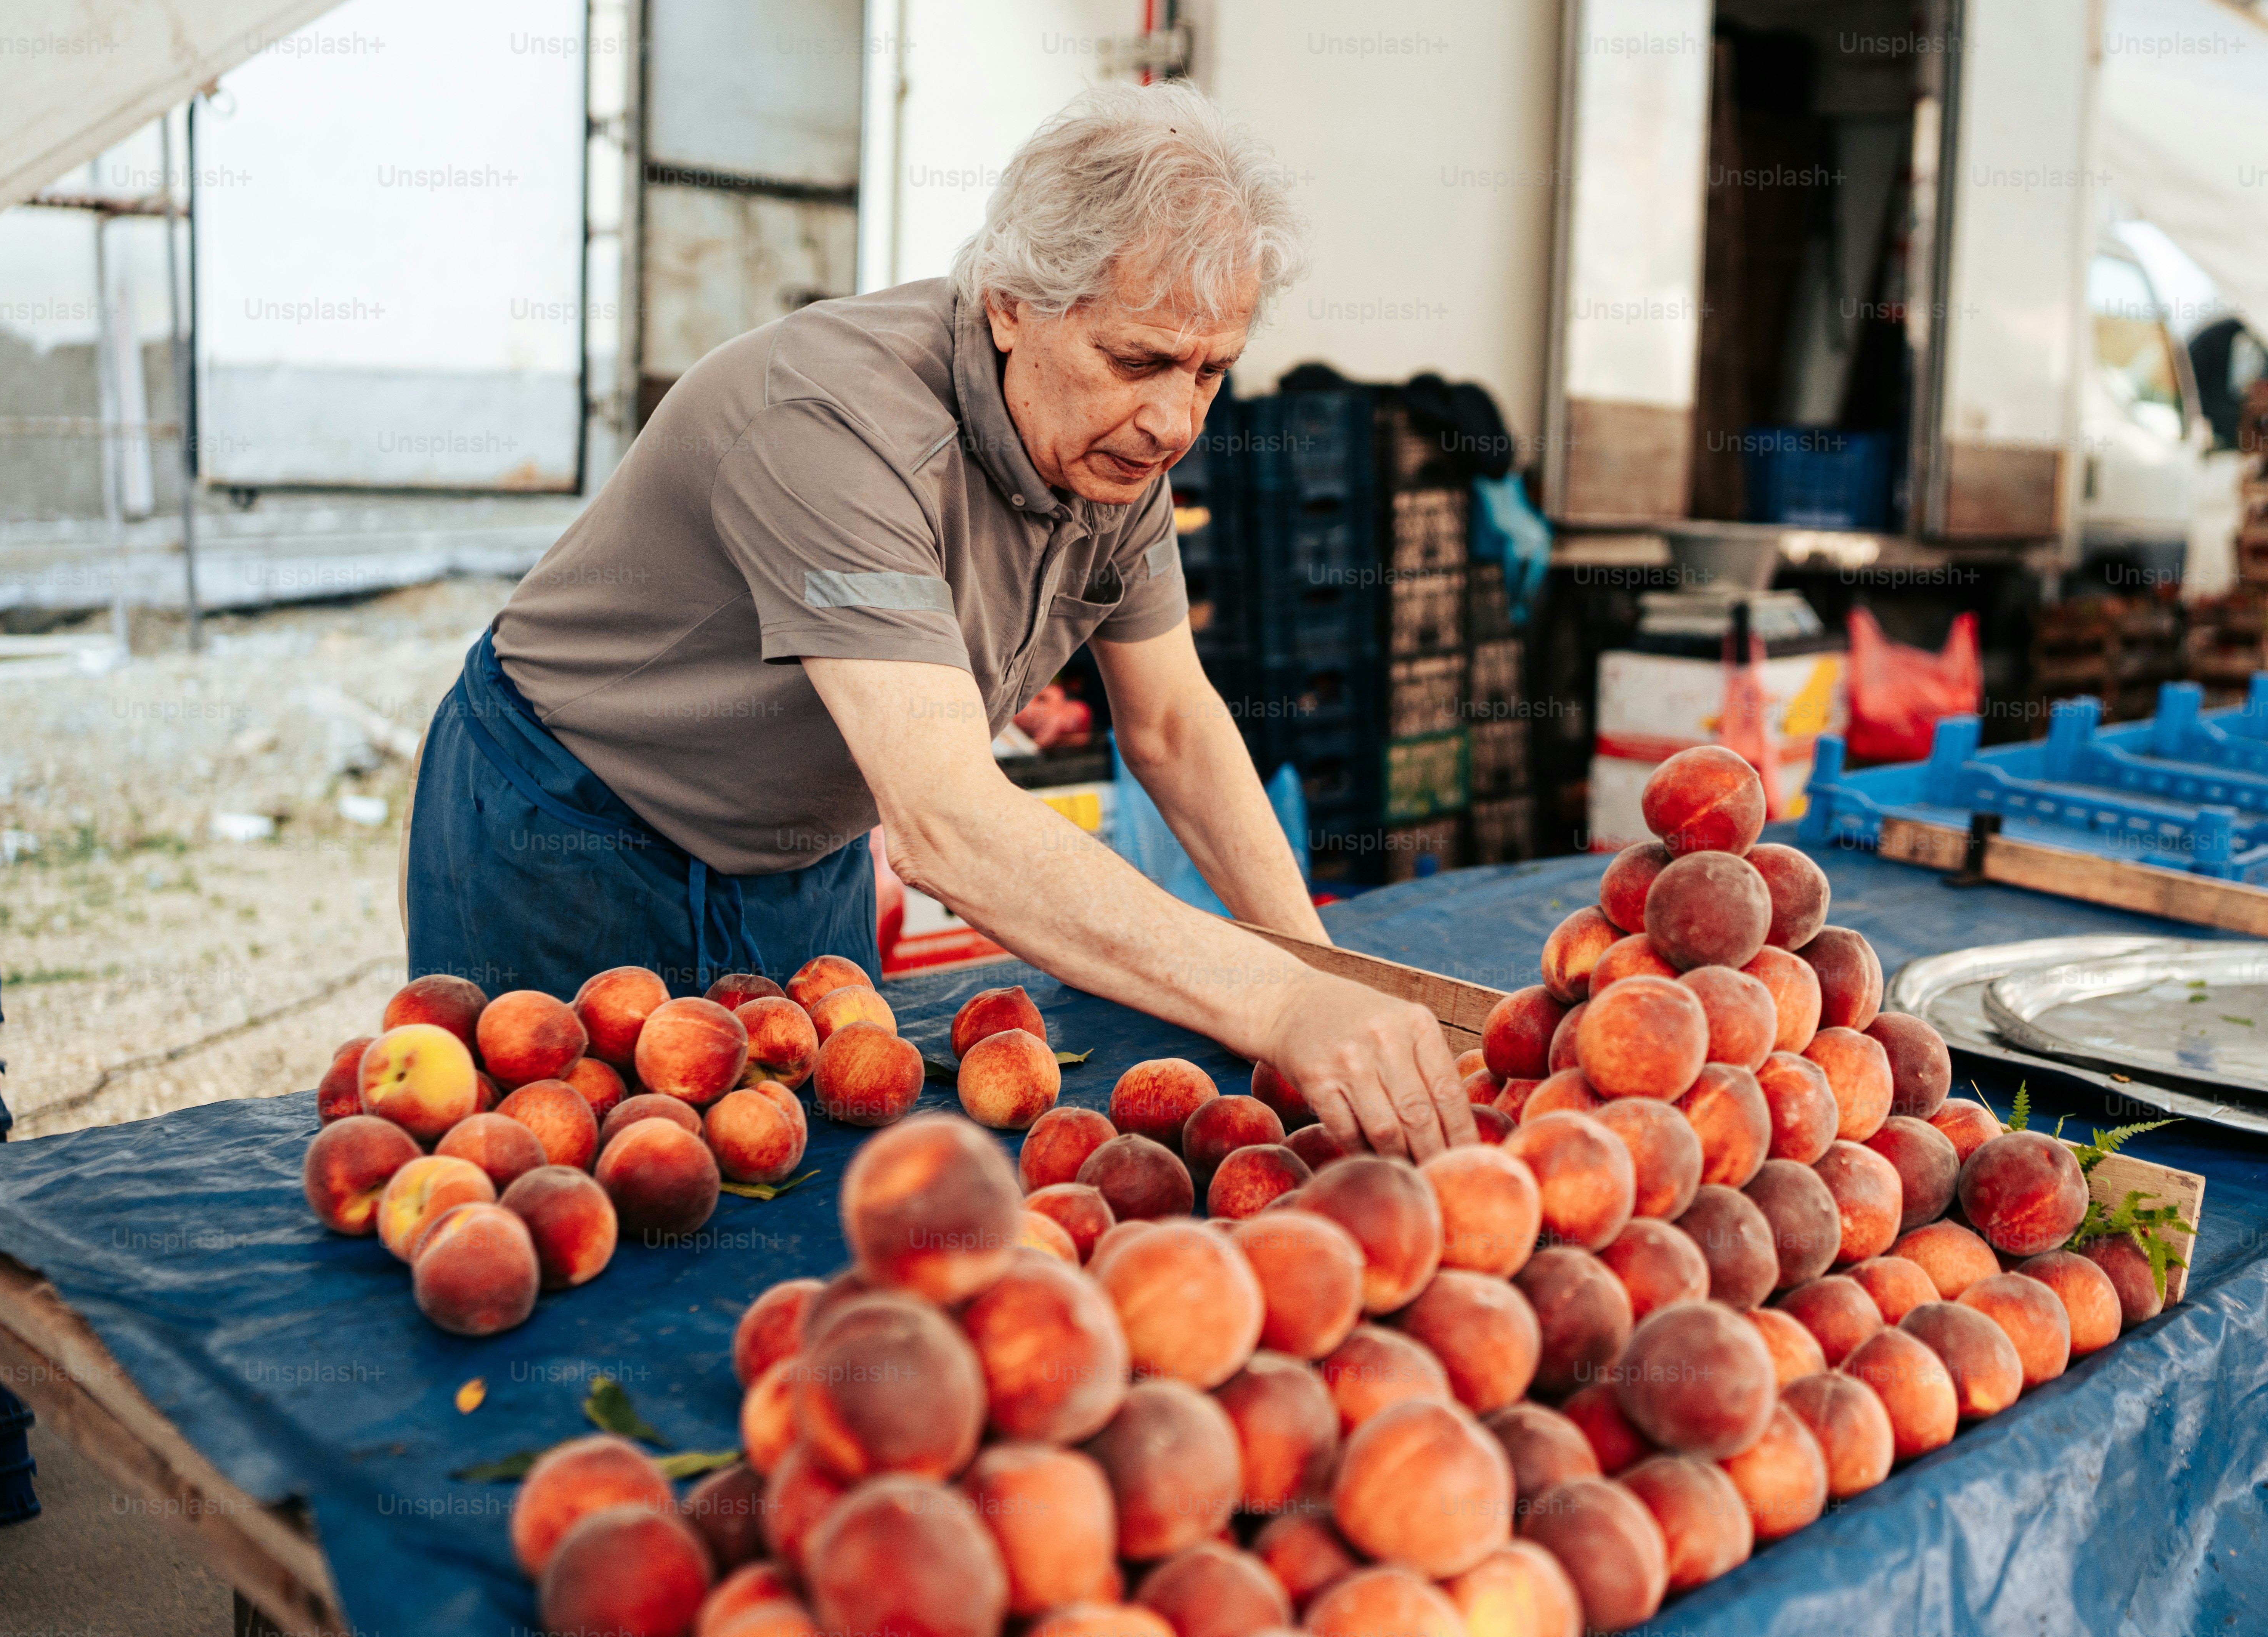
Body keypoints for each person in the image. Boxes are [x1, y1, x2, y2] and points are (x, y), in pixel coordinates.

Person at [404, 81, 1473, 1159]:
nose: (1174, 422)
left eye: (1211, 371)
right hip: (573, 817)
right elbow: (950, 822)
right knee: (563, 1182)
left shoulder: (1111, 448)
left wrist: (1318, 976)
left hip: (797, 846)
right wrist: (1275, 1005)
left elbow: (1173, 726)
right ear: (1010, 302)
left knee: (810, 1186)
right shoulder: (835, 425)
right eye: (1138, 360)